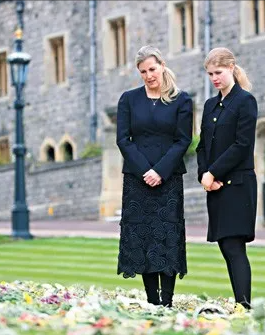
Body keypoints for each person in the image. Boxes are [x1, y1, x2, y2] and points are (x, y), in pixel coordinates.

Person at [116, 45, 193, 307]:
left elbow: (183, 140)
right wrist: (145, 171)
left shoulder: (181, 100)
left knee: (166, 236)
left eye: (152, 69)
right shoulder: (128, 99)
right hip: (137, 180)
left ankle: (168, 301)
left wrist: (159, 171)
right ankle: (151, 301)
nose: (149, 75)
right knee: (144, 237)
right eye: (143, 72)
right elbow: (123, 140)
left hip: (168, 180)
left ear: (162, 65)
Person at [196, 47, 258, 309]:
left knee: (234, 246)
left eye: (218, 72)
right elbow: (202, 146)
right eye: (210, 74)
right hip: (216, 187)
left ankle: (244, 306)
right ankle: (241, 305)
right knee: (225, 246)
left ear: (231, 68)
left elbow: (242, 145)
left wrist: (213, 172)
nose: (214, 78)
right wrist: (203, 174)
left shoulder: (245, 101)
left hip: (238, 185)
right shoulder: (211, 104)